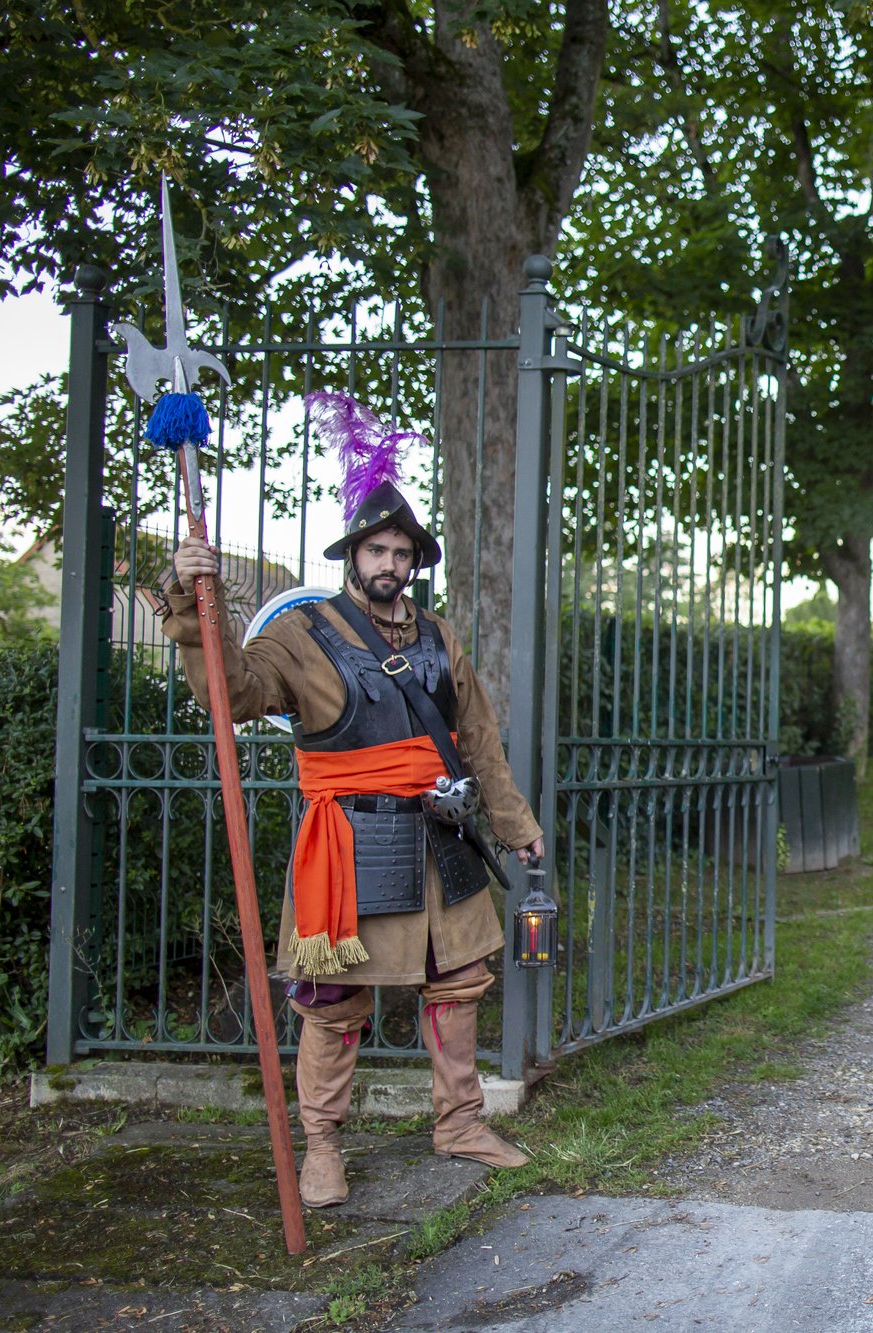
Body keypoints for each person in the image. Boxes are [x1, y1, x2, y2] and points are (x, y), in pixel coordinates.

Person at [161, 476, 544, 1210]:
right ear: (352, 555)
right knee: (331, 1000)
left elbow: (478, 740)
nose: (389, 563)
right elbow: (233, 694)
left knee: (459, 982)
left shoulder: (438, 636)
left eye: (401, 552)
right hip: (350, 842)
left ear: (414, 562)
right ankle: (324, 1147)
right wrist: (191, 603)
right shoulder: (301, 634)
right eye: (377, 549)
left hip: (440, 838)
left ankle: (461, 1124)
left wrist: (516, 825)